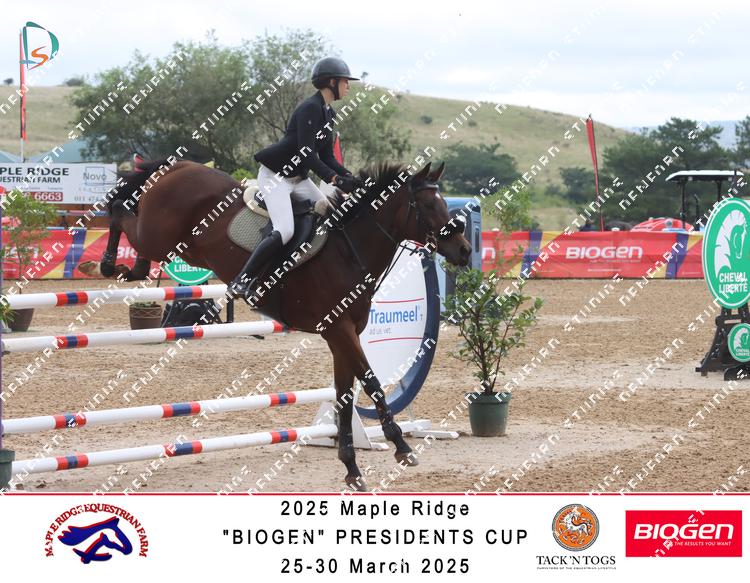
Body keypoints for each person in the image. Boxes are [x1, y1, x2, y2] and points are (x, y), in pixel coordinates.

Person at [229, 57, 363, 300]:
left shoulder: (328, 113)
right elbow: (306, 153)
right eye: (345, 82)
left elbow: (327, 157)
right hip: (275, 176)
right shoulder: (310, 108)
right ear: (332, 82)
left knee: (327, 210)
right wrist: (334, 179)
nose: (348, 87)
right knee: (285, 230)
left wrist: (350, 178)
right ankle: (242, 280)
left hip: (298, 179)